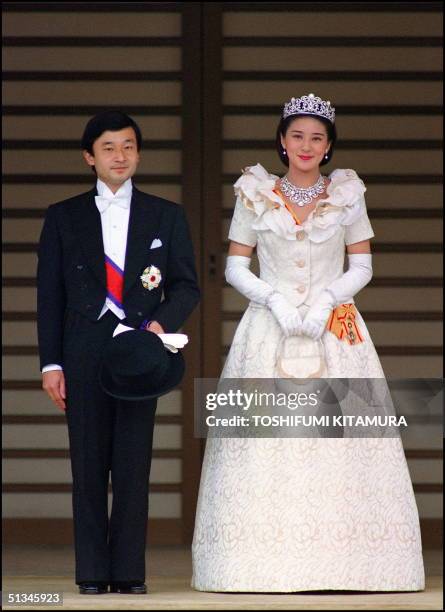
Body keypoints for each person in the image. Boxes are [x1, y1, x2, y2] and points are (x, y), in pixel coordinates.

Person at [191, 94, 425, 592]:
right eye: (296, 135)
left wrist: (326, 301)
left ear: (328, 147)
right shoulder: (255, 192)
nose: (305, 145)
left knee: (341, 446)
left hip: (335, 328)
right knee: (267, 445)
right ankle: (254, 568)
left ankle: (349, 567)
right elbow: (235, 266)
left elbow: (362, 264)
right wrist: (275, 300)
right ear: (281, 140)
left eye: (316, 138)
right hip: (268, 329)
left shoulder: (347, 194)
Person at [37, 110, 200, 595]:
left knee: (133, 463)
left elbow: (187, 286)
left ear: (139, 153)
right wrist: (51, 363)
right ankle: (91, 572)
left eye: (128, 146)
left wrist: (159, 325)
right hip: (81, 350)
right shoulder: (63, 216)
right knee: (87, 465)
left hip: (138, 352)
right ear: (90, 157)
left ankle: (129, 572)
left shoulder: (164, 214)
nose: (120, 156)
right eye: (108, 147)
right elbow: (50, 295)